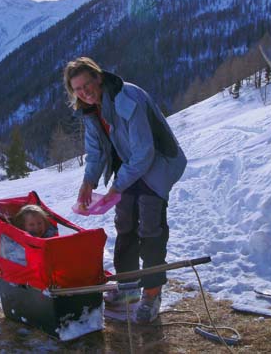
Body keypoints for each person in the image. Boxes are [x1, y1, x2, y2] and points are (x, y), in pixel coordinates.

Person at [63, 57, 187, 323]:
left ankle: (152, 294)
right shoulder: (91, 110)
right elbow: (95, 152)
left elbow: (144, 153)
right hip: (131, 164)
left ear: (98, 77)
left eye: (87, 84)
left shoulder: (125, 98)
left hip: (158, 163)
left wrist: (116, 186)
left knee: (150, 227)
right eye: (78, 89)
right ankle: (128, 288)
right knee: (125, 223)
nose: (85, 92)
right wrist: (88, 182)